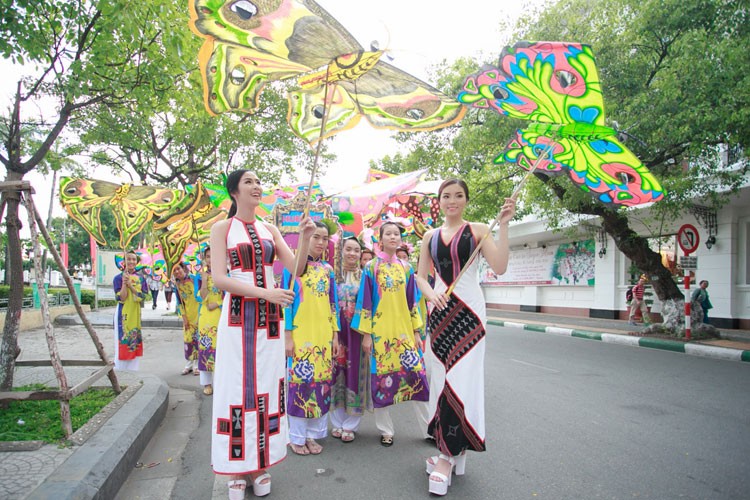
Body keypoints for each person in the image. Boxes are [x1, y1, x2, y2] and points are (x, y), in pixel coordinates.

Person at [209, 169, 315, 499]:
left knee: (267, 386)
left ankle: (260, 465)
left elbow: (296, 268)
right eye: (248, 182)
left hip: (269, 323)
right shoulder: (222, 229)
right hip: (238, 319)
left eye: (258, 181)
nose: (256, 186)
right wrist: (266, 293)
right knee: (236, 387)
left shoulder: (270, 229)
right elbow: (219, 279)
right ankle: (237, 468)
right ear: (234, 192)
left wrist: (306, 237)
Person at [416, 179, 516, 496]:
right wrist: (432, 295)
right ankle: (454, 451)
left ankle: (446, 457)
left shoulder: (478, 231)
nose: (452, 201)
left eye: (459, 196)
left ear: (466, 200)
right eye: (446, 196)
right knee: (441, 381)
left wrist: (504, 226)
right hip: (441, 313)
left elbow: (499, 266)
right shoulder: (429, 236)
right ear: (439, 201)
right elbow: (420, 276)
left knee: (461, 382)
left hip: (470, 314)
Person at [351, 221, 429, 448]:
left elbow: (412, 301)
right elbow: (365, 300)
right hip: (380, 336)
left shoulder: (407, 268)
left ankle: (428, 429)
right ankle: (386, 430)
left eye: (396, 234)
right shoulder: (371, 268)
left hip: (405, 334)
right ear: (381, 239)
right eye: (388, 234)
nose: (393, 237)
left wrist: (416, 331)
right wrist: (366, 334)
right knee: (381, 384)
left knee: (418, 378)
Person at [283, 221, 340, 455]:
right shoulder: (293, 267)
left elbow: (333, 304)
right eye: (316, 237)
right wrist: (288, 335)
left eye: (324, 238)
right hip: (300, 335)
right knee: (300, 386)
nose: (320, 242)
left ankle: (314, 435)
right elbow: (285, 304)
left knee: (321, 386)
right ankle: (297, 437)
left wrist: (335, 335)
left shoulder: (328, 270)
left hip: (323, 337)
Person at [330, 237, 369, 443]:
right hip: (335, 332)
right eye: (348, 249)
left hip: (356, 332)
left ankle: (351, 425)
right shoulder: (332, 275)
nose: (352, 254)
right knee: (336, 371)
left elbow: (371, 304)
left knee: (355, 373)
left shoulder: (366, 277)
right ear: (341, 250)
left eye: (356, 250)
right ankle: (336, 422)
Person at [113, 250, 148, 371]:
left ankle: (133, 371)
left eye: (134, 259)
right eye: (129, 259)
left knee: (134, 340)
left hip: (136, 313)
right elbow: (121, 298)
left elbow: (143, 297)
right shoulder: (118, 278)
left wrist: (131, 286)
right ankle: (120, 370)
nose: (131, 261)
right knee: (123, 340)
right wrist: (124, 283)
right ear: (124, 262)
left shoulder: (141, 279)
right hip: (123, 313)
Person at [197, 246, 223, 396]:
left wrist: (218, 304)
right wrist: (204, 282)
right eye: (208, 256)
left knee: (221, 349)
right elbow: (200, 297)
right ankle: (207, 383)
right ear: (205, 259)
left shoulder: (225, 275)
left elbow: (230, 296)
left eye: (213, 256)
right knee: (206, 348)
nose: (211, 259)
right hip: (206, 317)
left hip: (221, 314)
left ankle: (220, 381)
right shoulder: (199, 277)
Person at [174, 262, 200, 376]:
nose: (177, 272)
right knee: (188, 340)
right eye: (174, 270)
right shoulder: (177, 285)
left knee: (198, 340)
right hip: (187, 316)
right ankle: (189, 365)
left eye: (178, 269)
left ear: (184, 268)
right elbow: (180, 304)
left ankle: (197, 365)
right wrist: (184, 318)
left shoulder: (194, 279)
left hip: (198, 313)